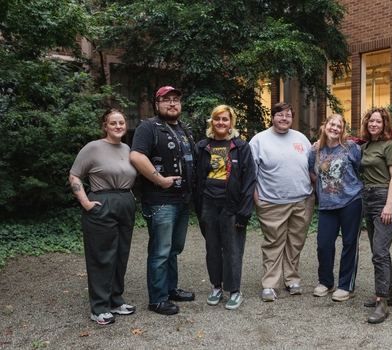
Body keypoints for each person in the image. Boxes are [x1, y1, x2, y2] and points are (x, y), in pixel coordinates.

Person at [130, 86, 196, 316]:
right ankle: (157, 299)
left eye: (176, 100)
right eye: (166, 100)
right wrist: (159, 179)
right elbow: (136, 156)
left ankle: (170, 289)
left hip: (182, 199)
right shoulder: (148, 127)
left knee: (173, 249)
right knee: (160, 250)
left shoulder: (185, 129)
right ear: (156, 104)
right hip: (161, 200)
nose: (172, 104)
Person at [69, 109, 137, 325]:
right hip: (101, 203)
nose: (118, 126)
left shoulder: (127, 148)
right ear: (105, 126)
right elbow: (74, 174)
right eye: (113, 123)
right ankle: (99, 307)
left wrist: (129, 196)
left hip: (124, 204)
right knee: (102, 256)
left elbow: (125, 175)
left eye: (122, 122)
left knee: (120, 254)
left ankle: (115, 301)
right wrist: (85, 202)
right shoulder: (93, 147)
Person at [249, 102, 315, 301]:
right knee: (273, 243)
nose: (284, 119)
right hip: (271, 202)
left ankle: (292, 280)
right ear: (272, 117)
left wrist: (312, 189)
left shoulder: (301, 138)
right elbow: (250, 175)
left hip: (302, 201)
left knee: (296, 242)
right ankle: (269, 284)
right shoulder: (259, 140)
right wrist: (257, 200)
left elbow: (312, 165)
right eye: (280, 115)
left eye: (288, 115)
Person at [194, 105, 257, 310]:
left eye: (225, 119)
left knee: (233, 248)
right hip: (208, 204)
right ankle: (217, 286)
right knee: (212, 247)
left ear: (231, 123)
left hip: (232, 205)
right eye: (217, 119)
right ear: (212, 122)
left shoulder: (240, 147)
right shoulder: (202, 146)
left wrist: (244, 211)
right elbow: (196, 178)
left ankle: (235, 291)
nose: (221, 123)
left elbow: (249, 181)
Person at [308, 114, 363, 302]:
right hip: (327, 205)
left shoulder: (351, 148)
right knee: (324, 244)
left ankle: (346, 286)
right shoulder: (314, 151)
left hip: (351, 201)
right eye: (332, 124)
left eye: (339, 125)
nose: (334, 128)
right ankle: (326, 282)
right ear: (325, 126)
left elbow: (361, 170)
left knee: (349, 244)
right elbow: (312, 174)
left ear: (343, 129)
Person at [359, 108, 392, 324]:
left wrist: (389, 205)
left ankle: (381, 302)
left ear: (385, 124)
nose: (374, 124)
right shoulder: (365, 146)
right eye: (371, 121)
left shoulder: (389, 145)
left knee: (380, 252)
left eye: (378, 121)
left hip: (384, 197)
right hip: (368, 197)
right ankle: (388, 294)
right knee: (378, 250)